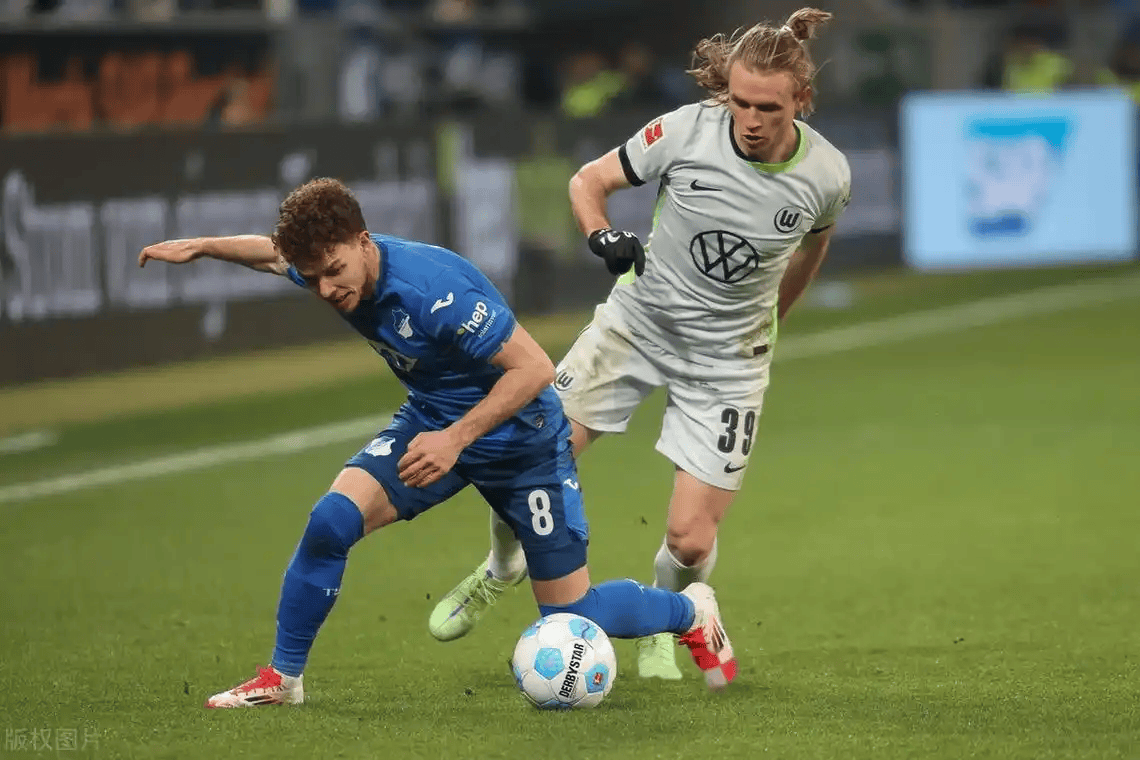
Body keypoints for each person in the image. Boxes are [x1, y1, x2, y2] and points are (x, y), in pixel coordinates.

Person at [137, 178, 737, 707]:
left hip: (522, 444)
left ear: (363, 241)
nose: (324, 289)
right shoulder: (329, 265)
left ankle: (691, 611)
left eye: (333, 271)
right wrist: (203, 247)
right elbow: (272, 255)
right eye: (312, 277)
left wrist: (455, 439)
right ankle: (282, 678)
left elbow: (533, 370)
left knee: (573, 615)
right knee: (330, 523)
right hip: (432, 422)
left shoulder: (433, 292)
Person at [429, 7, 851, 681]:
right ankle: (502, 567)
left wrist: (775, 315)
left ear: (799, 100)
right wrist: (601, 234)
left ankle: (665, 617)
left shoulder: (826, 174)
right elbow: (587, 182)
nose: (749, 119)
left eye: (767, 107)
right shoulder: (685, 131)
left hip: (728, 360)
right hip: (638, 325)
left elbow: (812, 245)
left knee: (691, 539)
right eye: (739, 101)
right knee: (526, 458)